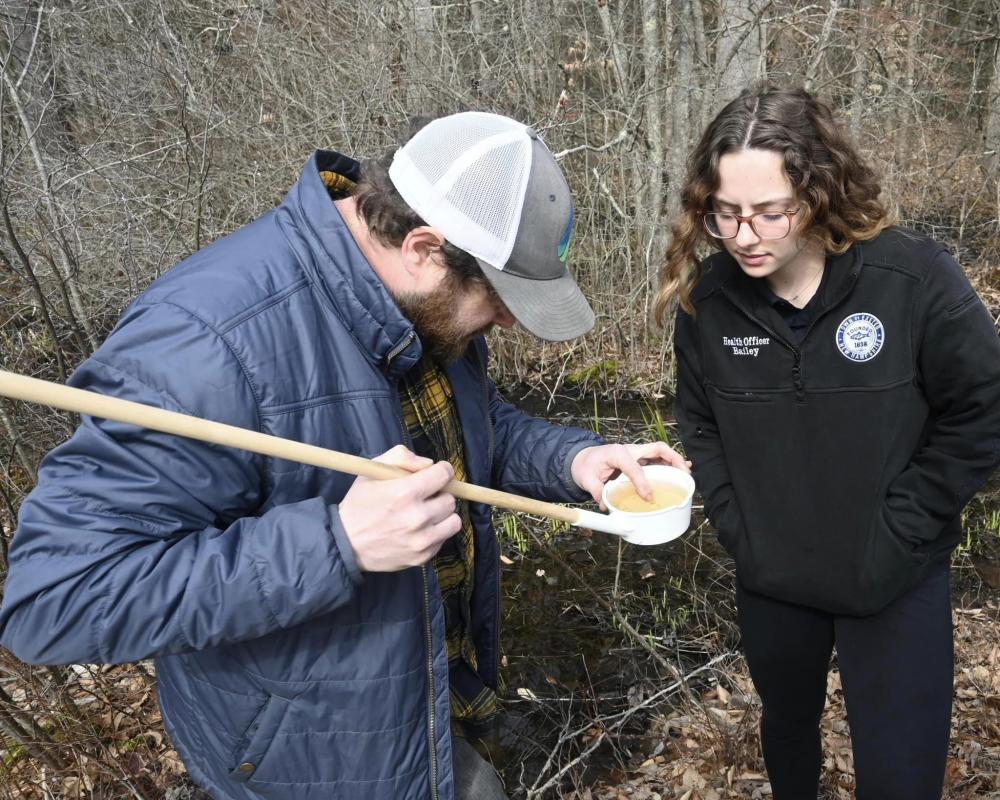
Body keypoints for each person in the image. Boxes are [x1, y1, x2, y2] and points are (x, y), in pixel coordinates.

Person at [0, 112, 686, 800]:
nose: (508, 321)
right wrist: (338, 543)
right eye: (501, 299)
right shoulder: (204, 345)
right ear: (423, 246)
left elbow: (466, 434)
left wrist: (574, 459)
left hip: (433, 710)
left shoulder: (424, 303)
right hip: (307, 765)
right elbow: (53, 602)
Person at [653, 85, 1000, 800]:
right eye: (725, 213)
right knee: (789, 741)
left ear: (818, 191)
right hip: (775, 581)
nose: (745, 235)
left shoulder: (913, 279)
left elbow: (982, 410)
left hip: (895, 578)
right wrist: (739, 526)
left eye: (769, 212)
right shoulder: (709, 304)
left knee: (901, 777)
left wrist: (904, 525)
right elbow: (701, 423)